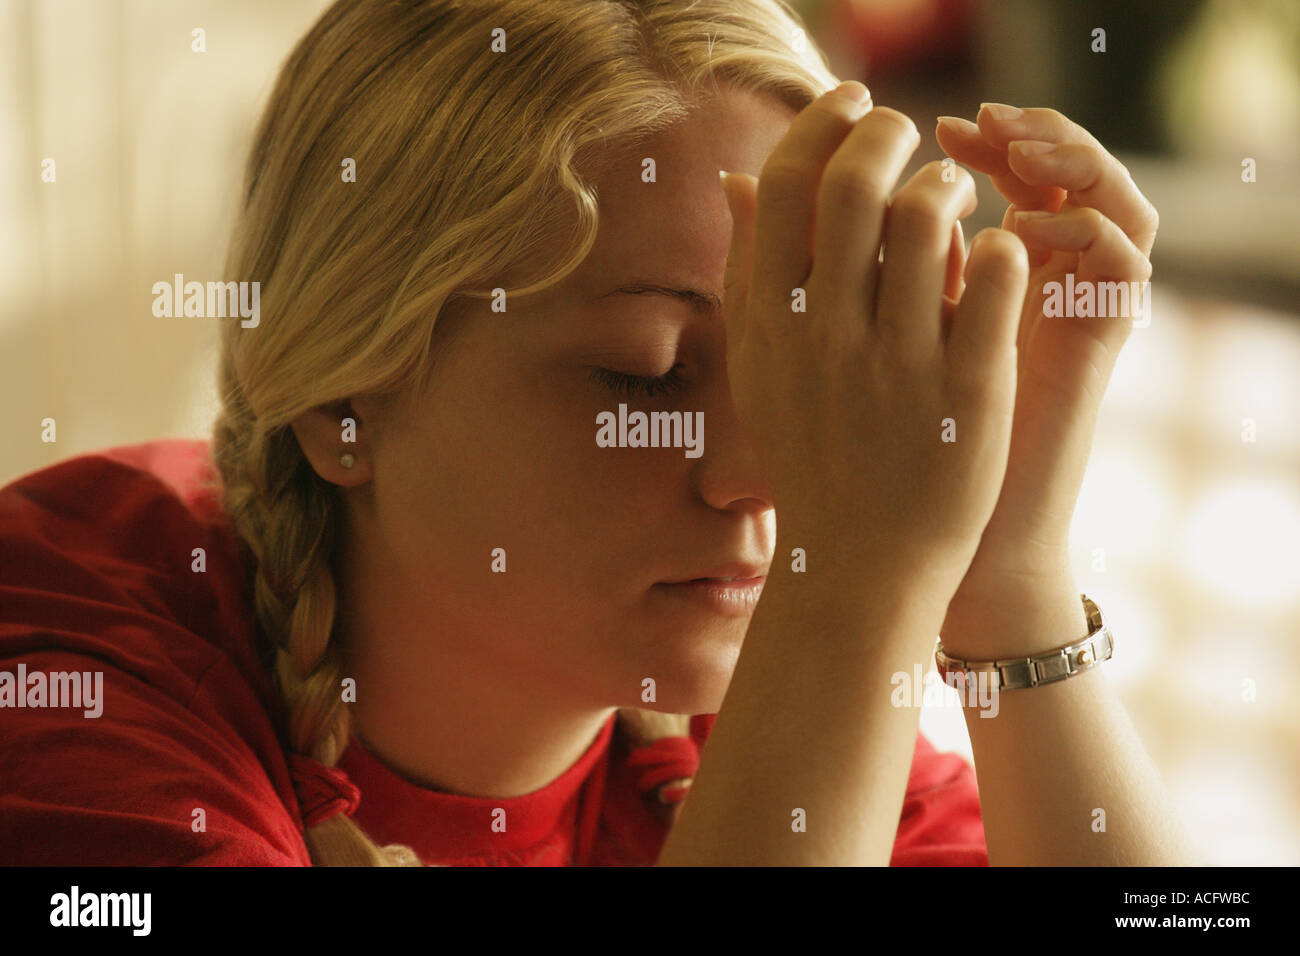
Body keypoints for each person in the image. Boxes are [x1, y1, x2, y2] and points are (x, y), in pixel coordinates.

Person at [0, 0, 1197, 866]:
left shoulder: (741, 711)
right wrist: (857, 582)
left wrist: (1009, 576)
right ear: (338, 399)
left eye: (795, 381)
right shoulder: (64, 678)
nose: (763, 477)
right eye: (653, 374)